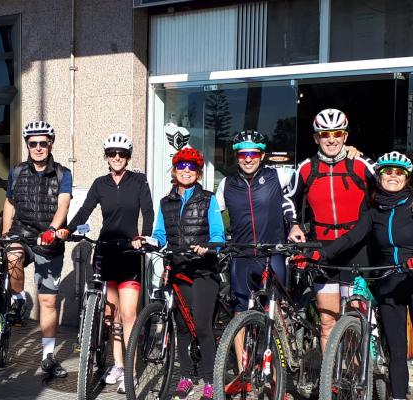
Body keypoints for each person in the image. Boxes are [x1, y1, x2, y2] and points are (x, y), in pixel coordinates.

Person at [302, 151, 413, 400]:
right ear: (380, 176)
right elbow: (352, 237)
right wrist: (323, 254)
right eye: (387, 172)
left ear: (406, 178)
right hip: (389, 281)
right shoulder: (374, 212)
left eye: (399, 173)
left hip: (411, 275)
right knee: (397, 350)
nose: (392, 177)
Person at [61, 133, 154, 394]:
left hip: (129, 253)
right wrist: (67, 229)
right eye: (112, 153)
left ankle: (132, 373)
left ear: (127, 157)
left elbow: (148, 212)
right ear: (106, 156)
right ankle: (118, 365)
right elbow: (84, 211)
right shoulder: (100, 183)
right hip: (105, 252)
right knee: (110, 315)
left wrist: (142, 236)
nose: (116, 158)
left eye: (121, 154)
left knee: (128, 315)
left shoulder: (138, 182)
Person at [286, 108, 374, 351]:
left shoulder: (361, 164)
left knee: (356, 319)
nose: (331, 139)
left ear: (345, 136)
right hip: (322, 250)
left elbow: (389, 190)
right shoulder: (306, 168)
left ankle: (357, 380)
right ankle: (331, 385)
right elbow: (287, 199)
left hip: (356, 249)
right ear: (316, 138)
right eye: (325, 134)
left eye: (337, 133)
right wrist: (293, 224)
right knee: (327, 321)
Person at [152, 147, 225, 400]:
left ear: (198, 172)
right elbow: (160, 234)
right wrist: (150, 241)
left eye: (191, 167)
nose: (186, 170)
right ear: (174, 170)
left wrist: (208, 246)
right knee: (182, 327)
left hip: (203, 269)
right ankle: (185, 376)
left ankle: (210, 379)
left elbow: (218, 234)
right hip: (179, 268)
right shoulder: (165, 202)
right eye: (181, 166)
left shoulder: (209, 199)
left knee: (202, 325)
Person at [2, 120, 72, 378]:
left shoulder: (63, 173)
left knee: (48, 301)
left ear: (51, 144)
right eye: (33, 144)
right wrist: (5, 234)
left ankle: (48, 356)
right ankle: (18, 298)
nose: (39, 148)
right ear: (27, 145)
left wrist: (52, 230)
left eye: (43, 143)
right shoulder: (17, 171)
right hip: (22, 233)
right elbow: (9, 202)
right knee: (13, 255)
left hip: (49, 241)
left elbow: (63, 204)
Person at [216, 131, 295, 313]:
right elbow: (214, 218)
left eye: (253, 154)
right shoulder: (226, 184)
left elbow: (309, 178)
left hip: (272, 253)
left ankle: (279, 340)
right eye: (244, 155)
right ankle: (241, 342)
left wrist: (294, 224)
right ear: (237, 157)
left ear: (262, 156)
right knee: (240, 310)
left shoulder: (278, 176)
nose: (248, 159)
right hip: (242, 255)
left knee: (274, 310)